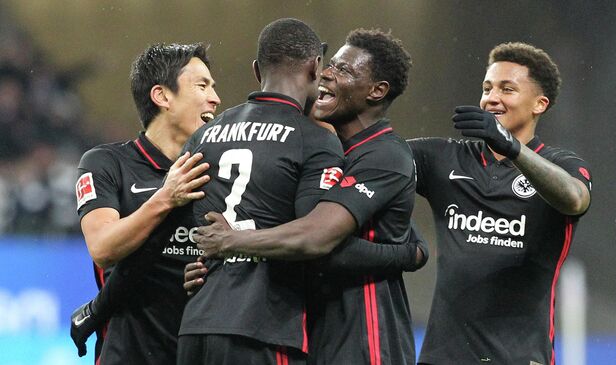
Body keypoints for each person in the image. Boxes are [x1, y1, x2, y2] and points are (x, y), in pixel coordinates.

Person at [191, 28, 419, 365]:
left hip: (364, 338)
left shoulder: (385, 155)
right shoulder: (318, 148)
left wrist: (230, 242)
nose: (327, 72)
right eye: (330, 65)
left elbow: (318, 241)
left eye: (343, 70)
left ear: (377, 90)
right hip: (309, 331)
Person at [408, 42, 593, 364]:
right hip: (443, 356)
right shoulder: (442, 157)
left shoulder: (560, 163)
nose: (492, 98)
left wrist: (512, 149)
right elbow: (376, 156)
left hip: (519, 357)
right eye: (487, 88)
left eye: (507, 89)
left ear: (540, 104)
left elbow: (575, 200)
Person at [175, 18, 345, 365]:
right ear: (315, 67)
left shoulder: (204, 136)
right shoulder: (314, 139)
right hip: (264, 326)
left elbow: (186, 221)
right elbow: (314, 237)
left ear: (257, 70)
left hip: (196, 325)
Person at [70, 42, 220, 365]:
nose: (215, 98)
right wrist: (166, 197)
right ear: (162, 96)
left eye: (214, 87)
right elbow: (103, 247)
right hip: (128, 354)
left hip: (202, 353)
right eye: (202, 85)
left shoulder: (220, 172)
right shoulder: (106, 164)